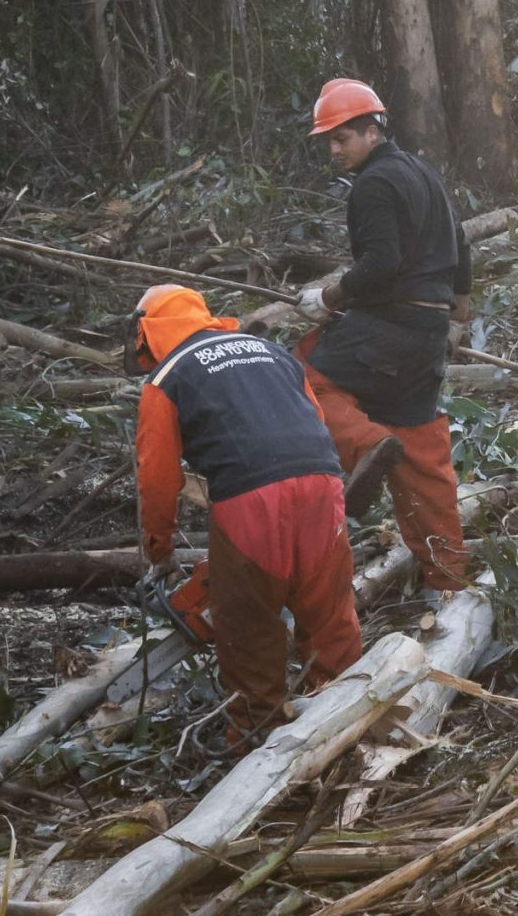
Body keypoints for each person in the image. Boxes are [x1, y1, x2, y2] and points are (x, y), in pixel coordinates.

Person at [126, 284, 363, 741]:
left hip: (249, 498)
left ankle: (258, 745)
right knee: (330, 614)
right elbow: (314, 417)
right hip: (322, 480)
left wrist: (159, 546)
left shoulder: (167, 376)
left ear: (147, 330)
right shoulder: (272, 352)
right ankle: (349, 724)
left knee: (247, 627)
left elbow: (156, 476)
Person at [294, 78, 473, 592]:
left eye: (341, 139)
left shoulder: (373, 184)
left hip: (390, 327)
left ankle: (369, 444)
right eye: (328, 140)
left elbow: (380, 264)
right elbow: (459, 244)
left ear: (372, 131)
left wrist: (326, 299)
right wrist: (457, 317)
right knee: (423, 458)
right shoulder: (421, 171)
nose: (334, 150)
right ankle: (450, 582)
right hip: (425, 334)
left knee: (299, 377)